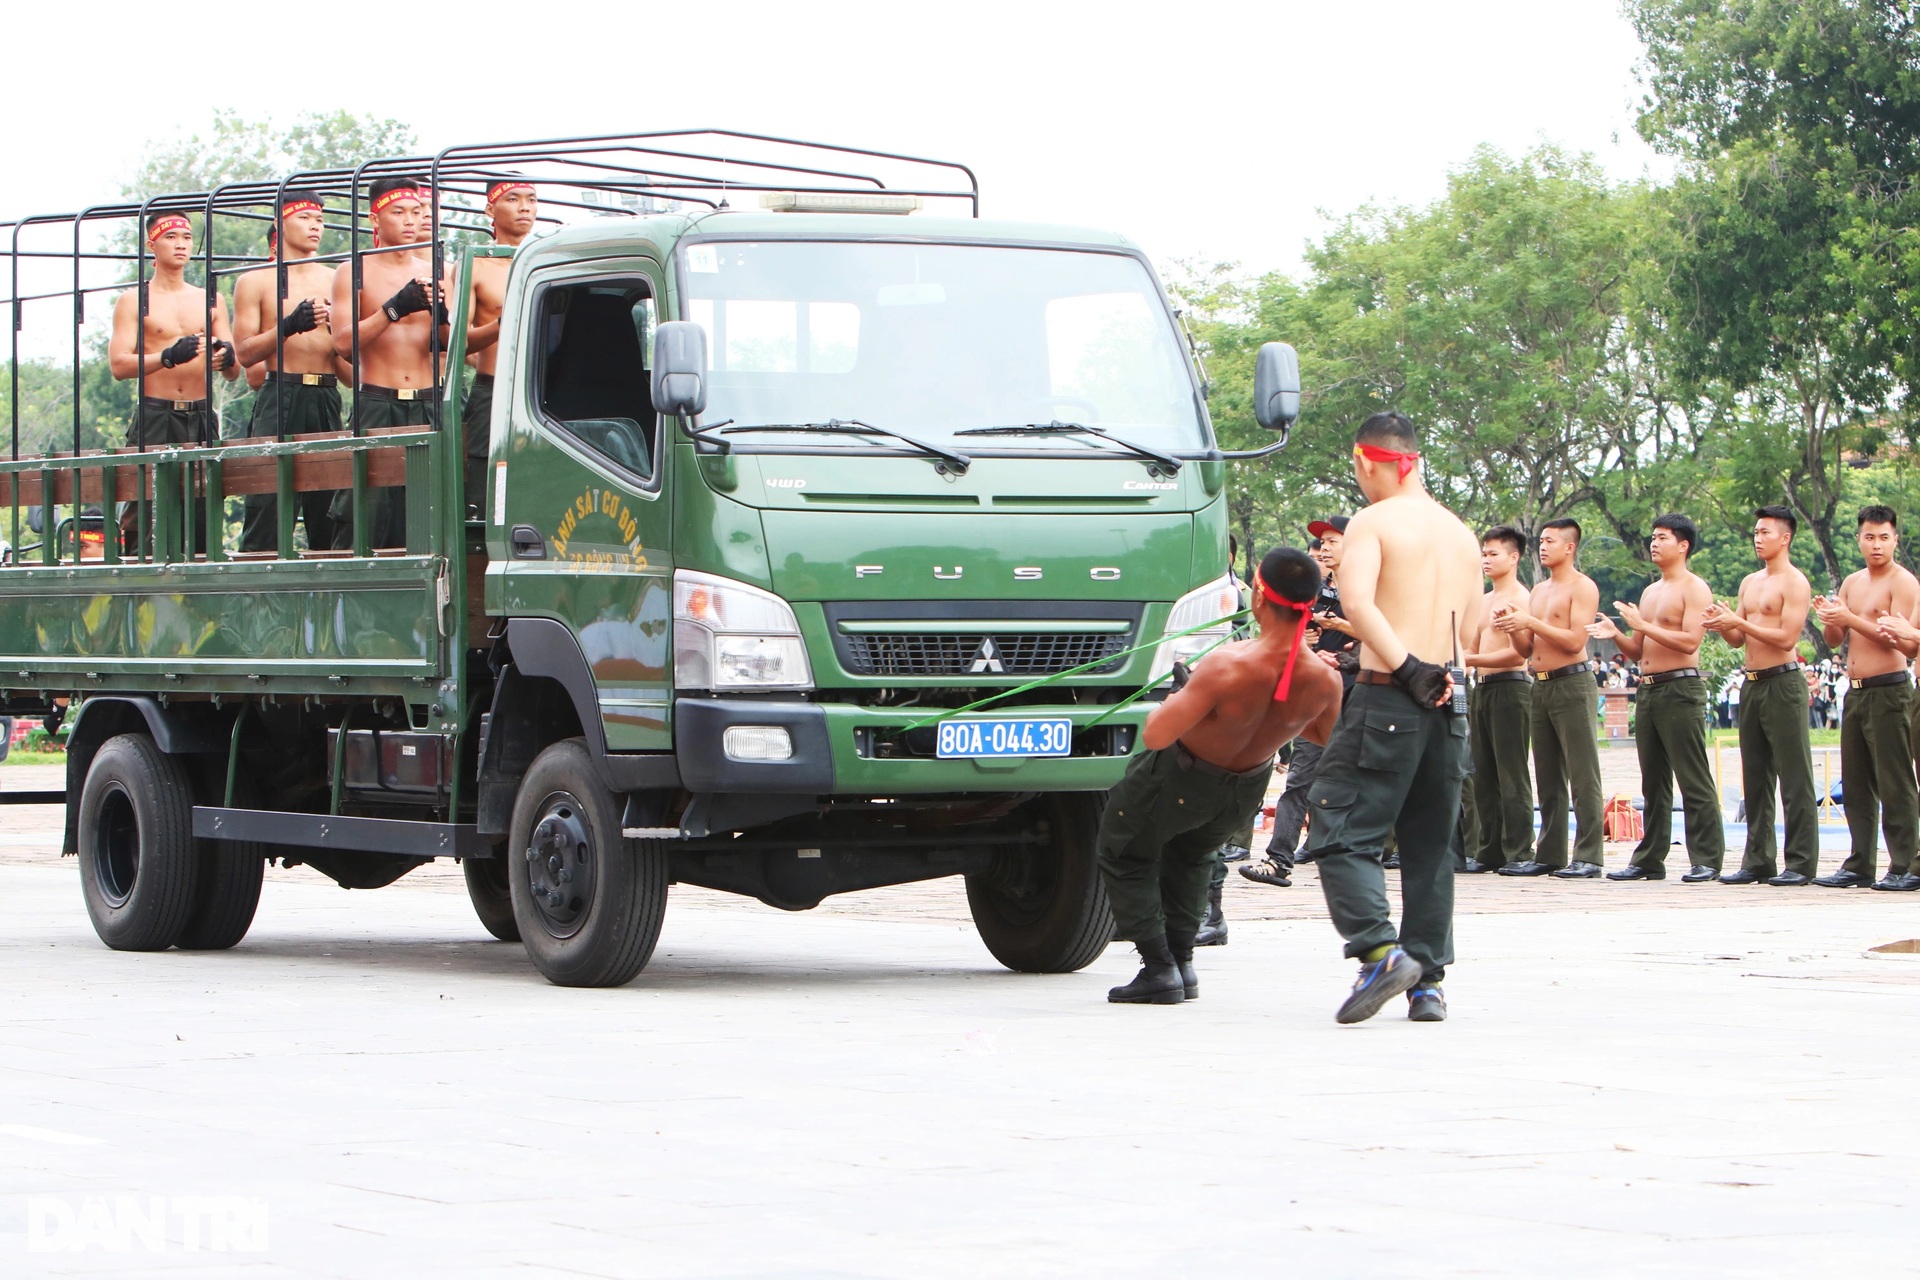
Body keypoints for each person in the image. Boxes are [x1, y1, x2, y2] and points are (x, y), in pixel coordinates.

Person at [1095, 547, 1341, 1005]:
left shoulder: (1228, 664)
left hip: (1182, 777)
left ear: (1260, 598)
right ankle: (1183, 963)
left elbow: (1157, 733)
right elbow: (1324, 736)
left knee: (1123, 850)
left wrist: (1185, 692)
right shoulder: (1325, 679)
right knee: (1192, 858)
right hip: (1243, 790)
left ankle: (1158, 967)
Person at [1302, 413, 1480, 1025]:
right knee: (1432, 845)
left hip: (1391, 693)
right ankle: (1427, 982)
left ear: (1366, 461)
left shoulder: (1374, 522)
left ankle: (1379, 951)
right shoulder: (1461, 533)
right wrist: (1438, 673)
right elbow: (1473, 625)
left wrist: (1405, 667)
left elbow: (1356, 602)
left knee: (1337, 825)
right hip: (1451, 700)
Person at [1587, 514, 1726, 883]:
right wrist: (1617, 632)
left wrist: (1644, 626)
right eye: (1652, 537)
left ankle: (1707, 858)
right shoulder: (1651, 592)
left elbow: (1691, 642)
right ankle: (1650, 858)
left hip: (1681, 687)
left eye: (1662, 537)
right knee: (1654, 781)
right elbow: (1638, 650)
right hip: (1649, 688)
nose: (1653, 543)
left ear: (1682, 545)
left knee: (1692, 776)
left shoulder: (1694, 588)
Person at [108, 211, 239, 553]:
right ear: (151, 244)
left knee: (202, 515)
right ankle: (140, 594)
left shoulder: (211, 299)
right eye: (171, 236)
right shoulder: (135, 299)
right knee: (147, 515)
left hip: (199, 415)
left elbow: (233, 368)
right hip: (156, 416)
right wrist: (167, 357)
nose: (181, 243)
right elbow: (119, 365)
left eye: (185, 236)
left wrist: (224, 357)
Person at [1703, 506, 1820, 885]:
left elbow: (1787, 638)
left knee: (1794, 774)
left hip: (1783, 681)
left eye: (1765, 532)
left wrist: (1739, 622)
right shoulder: (1750, 582)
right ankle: (1758, 859)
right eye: (1755, 531)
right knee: (1755, 775)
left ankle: (1800, 862)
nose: (1758, 537)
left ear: (1784, 538)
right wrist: (1722, 623)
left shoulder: (1795, 582)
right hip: (1751, 683)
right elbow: (1738, 638)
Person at [330, 176, 448, 549]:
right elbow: (343, 343)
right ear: (374, 219)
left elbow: (446, 345)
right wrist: (394, 308)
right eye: (398, 212)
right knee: (366, 511)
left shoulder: (437, 269)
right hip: (379, 402)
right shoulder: (354, 270)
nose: (410, 220)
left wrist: (444, 313)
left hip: (430, 402)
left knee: (430, 512)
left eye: (416, 212)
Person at [1811, 507, 1920, 890]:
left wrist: (1851, 618)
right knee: (1856, 783)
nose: (1876, 545)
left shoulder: (1902, 582)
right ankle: (1860, 862)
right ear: (1858, 539)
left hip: (1889, 689)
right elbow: (1835, 641)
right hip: (1854, 692)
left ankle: (1904, 862)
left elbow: (1902, 641)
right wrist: (1830, 619)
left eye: (1884, 537)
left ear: (1894, 540)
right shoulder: (1852, 583)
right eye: (1869, 537)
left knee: (1895, 781)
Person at [1243, 516, 1354, 887]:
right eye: (1321, 542)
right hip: (1318, 692)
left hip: (1363, 692)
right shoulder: (1315, 590)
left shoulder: (1368, 591)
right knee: (1301, 777)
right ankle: (1279, 858)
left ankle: (1362, 855)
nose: (1324, 547)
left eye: (1332, 540)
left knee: (1369, 778)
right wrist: (1302, 643)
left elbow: (1386, 632)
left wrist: (1342, 634)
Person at [1492, 519, 1605, 878]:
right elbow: (1528, 648)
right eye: (1541, 541)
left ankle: (1588, 855)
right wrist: (1514, 628)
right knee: (1547, 773)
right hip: (1540, 684)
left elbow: (1574, 642)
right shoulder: (1538, 591)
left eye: (1550, 541)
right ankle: (1550, 853)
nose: (1542, 547)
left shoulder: (1582, 587)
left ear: (1569, 547)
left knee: (1582, 771)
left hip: (1572, 683)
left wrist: (1531, 622)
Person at [232, 191, 341, 552]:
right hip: (281, 393)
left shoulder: (336, 278)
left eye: (320, 220)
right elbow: (245, 353)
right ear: (280, 222)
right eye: (305, 218)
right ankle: (258, 601)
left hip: (326, 394)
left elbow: (353, 367)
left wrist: (339, 333)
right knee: (266, 506)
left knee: (329, 510)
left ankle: (333, 601)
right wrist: (289, 325)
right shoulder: (256, 281)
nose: (315, 227)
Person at [459, 177, 537, 513]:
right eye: (513, 199)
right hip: (493, 390)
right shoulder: (475, 265)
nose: (525, 208)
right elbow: (457, 343)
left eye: (532, 200)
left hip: (541, 391)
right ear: (490, 208)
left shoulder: (552, 260)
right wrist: (500, 325)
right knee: (483, 495)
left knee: (539, 485)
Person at [1461, 525, 1533, 873]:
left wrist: (1470, 660)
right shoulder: (1485, 600)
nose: (1486, 559)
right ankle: (1489, 849)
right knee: (1483, 772)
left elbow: (1518, 656)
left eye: (1494, 553)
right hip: (1483, 688)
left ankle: (1519, 850)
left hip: (1512, 687)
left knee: (1512, 772)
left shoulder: (1521, 598)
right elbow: (1471, 649)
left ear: (1514, 557)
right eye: (1484, 553)